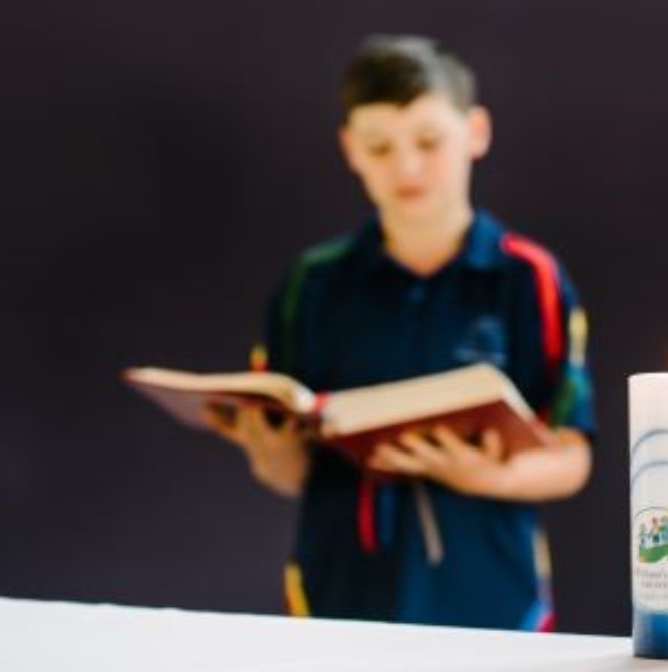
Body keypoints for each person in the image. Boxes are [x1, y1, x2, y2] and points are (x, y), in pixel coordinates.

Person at [205, 35, 596, 631]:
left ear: (476, 132)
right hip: (338, 598)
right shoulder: (312, 283)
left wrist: (487, 475)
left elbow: (572, 456)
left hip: (491, 601)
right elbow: (290, 472)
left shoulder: (529, 279)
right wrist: (271, 452)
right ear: (350, 149)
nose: (406, 166)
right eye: (380, 146)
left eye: (429, 141)